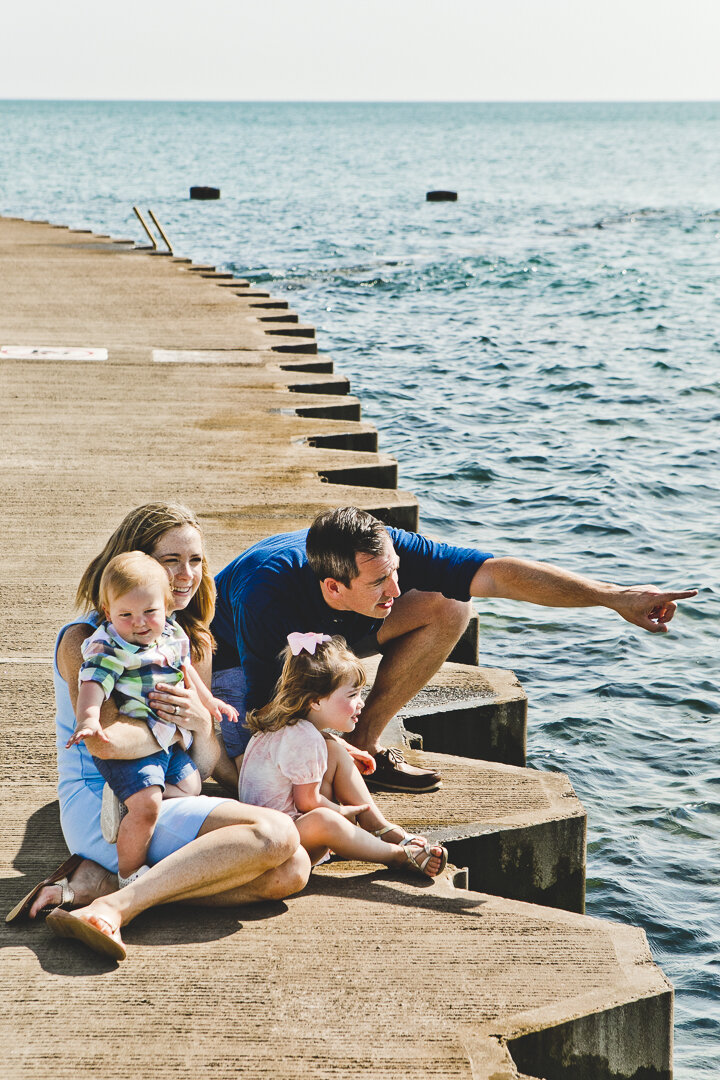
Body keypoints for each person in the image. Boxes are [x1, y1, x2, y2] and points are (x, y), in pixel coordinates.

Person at [211, 506, 697, 792]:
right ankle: (342, 758)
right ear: (334, 587)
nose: (396, 588)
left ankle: (367, 746)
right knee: (270, 764)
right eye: (380, 582)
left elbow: (497, 574)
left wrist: (612, 597)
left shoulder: (380, 552)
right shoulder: (265, 591)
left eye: (395, 571)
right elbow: (267, 710)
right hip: (237, 665)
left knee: (450, 606)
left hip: (325, 638)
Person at [6, 503, 309, 961]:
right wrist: (174, 728)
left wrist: (202, 725)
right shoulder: (88, 642)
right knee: (276, 837)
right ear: (137, 565)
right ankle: (115, 907)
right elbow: (105, 740)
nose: (186, 575)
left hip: (167, 789)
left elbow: (206, 763)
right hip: (109, 804)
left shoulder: (188, 640)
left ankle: (108, 883)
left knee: (292, 870)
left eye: (196, 560)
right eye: (171, 561)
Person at [67, 550, 239, 888]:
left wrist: (210, 702)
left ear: (166, 606)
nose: (139, 623)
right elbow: (93, 684)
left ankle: (123, 804)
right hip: (135, 748)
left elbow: (186, 671)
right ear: (108, 613)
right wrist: (88, 719)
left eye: (149, 612)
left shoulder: (173, 635)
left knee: (191, 786)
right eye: (126, 614)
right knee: (146, 806)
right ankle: (128, 874)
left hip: (165, 738)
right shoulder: (109, 646)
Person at [239, 632, 447, 877]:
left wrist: (344, 748)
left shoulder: (284, 727)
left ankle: (379, 828)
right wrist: (345, 812)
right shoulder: (306, 739)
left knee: (335, 750)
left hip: (268, 832)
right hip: (283, 845)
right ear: (315, 701)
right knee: (325, 820)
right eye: (352, 695)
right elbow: (307, 801)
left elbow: (315, 752)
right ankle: (394, 855)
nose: (361, 703)